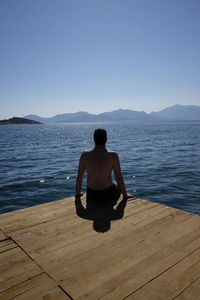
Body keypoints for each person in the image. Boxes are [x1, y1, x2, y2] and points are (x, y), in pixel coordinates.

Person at [75, 128, 133, 205]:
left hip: (91, 194)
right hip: (108, 193)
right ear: (106, 139)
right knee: (116, 185)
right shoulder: (113, 155)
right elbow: (118, 177)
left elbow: (79, 176)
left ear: (94, 139)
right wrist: (125, 195)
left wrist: (78, 194)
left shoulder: (84, 155)